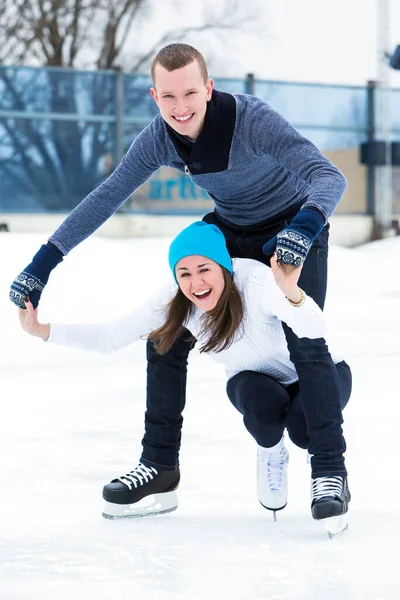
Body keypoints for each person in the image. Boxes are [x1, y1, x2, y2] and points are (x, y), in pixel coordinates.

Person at [10, 43, 350, 523]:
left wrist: (303, 229)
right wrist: (44, 262)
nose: (180, 106)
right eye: (168, 97)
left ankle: (329, 470)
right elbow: (108, 196)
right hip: (229, 235)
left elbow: (329, 177)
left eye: (190, 92)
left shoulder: (252, 120)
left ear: (208, 89)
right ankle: (160, 466)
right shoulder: (159, 139)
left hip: (295, 229)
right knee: (168, 332)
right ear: (154, 96)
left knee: (302, 336)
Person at [18, 222, 351, 533]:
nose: (196, 283)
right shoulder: (177, 299)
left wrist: (291, 292)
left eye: (204, 269)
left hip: (321, 375)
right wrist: (42, 330)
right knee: (263, 409)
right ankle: (271, 451)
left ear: (224, 266)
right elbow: (111, 335)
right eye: (184, 273)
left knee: (303, 427)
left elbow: (314, 330)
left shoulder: (257, 281)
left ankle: (329, 477)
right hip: (254, 382)